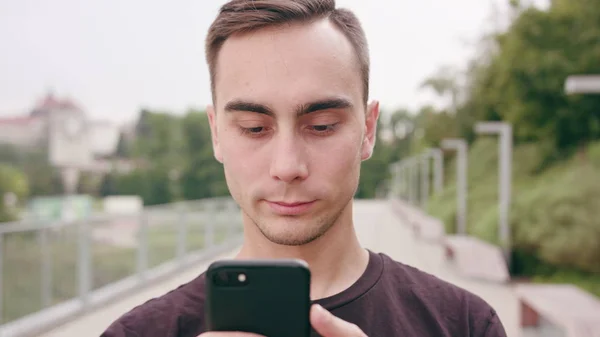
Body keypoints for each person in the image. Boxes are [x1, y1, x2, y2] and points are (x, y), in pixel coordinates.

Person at [101, 0, 508, 336]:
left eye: (321, 126)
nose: (288, 166)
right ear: (217, 134)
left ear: (368, 130)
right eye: (254, 128)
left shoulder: (466, 325)